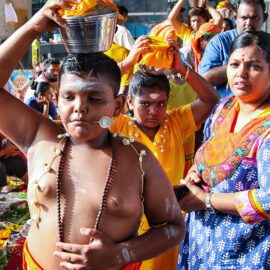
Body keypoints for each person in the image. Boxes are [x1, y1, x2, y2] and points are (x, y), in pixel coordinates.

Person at [0, 1, 186, 269]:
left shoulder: (137, 158)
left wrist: (121, 254)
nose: (80, 107)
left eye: (95, 98)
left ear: (118, 106)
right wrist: (33, 27)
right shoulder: (39, 135)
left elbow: (173, 226)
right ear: (57, 99)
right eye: (68, 97)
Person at [111, 37, 220, 270]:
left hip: (171, 222)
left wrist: (183, 70)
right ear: (129, 102)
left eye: (161, 103)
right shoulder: (118, 127)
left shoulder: (175, 122)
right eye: (145, 104)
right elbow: (93, 98)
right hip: (132, 224)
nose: (154, 111)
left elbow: (211, 99)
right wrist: (128, 64)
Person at [177, 30, 270, 269]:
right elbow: (208, 151)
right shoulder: (224, 109)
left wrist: (207, 200)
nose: (241, 73)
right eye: (234, 64)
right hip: (202, 242)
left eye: (254, 66)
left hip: (248, 250)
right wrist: (196, 172)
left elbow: (268, 199)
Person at [199, 0, 268, 99]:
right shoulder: (219, 42)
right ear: (236, 18)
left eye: (255, 18)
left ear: (265, 17)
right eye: (244, 18)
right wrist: (236, 66)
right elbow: (203, 80)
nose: (248, 23)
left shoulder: (268, 43)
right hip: (225, 110)